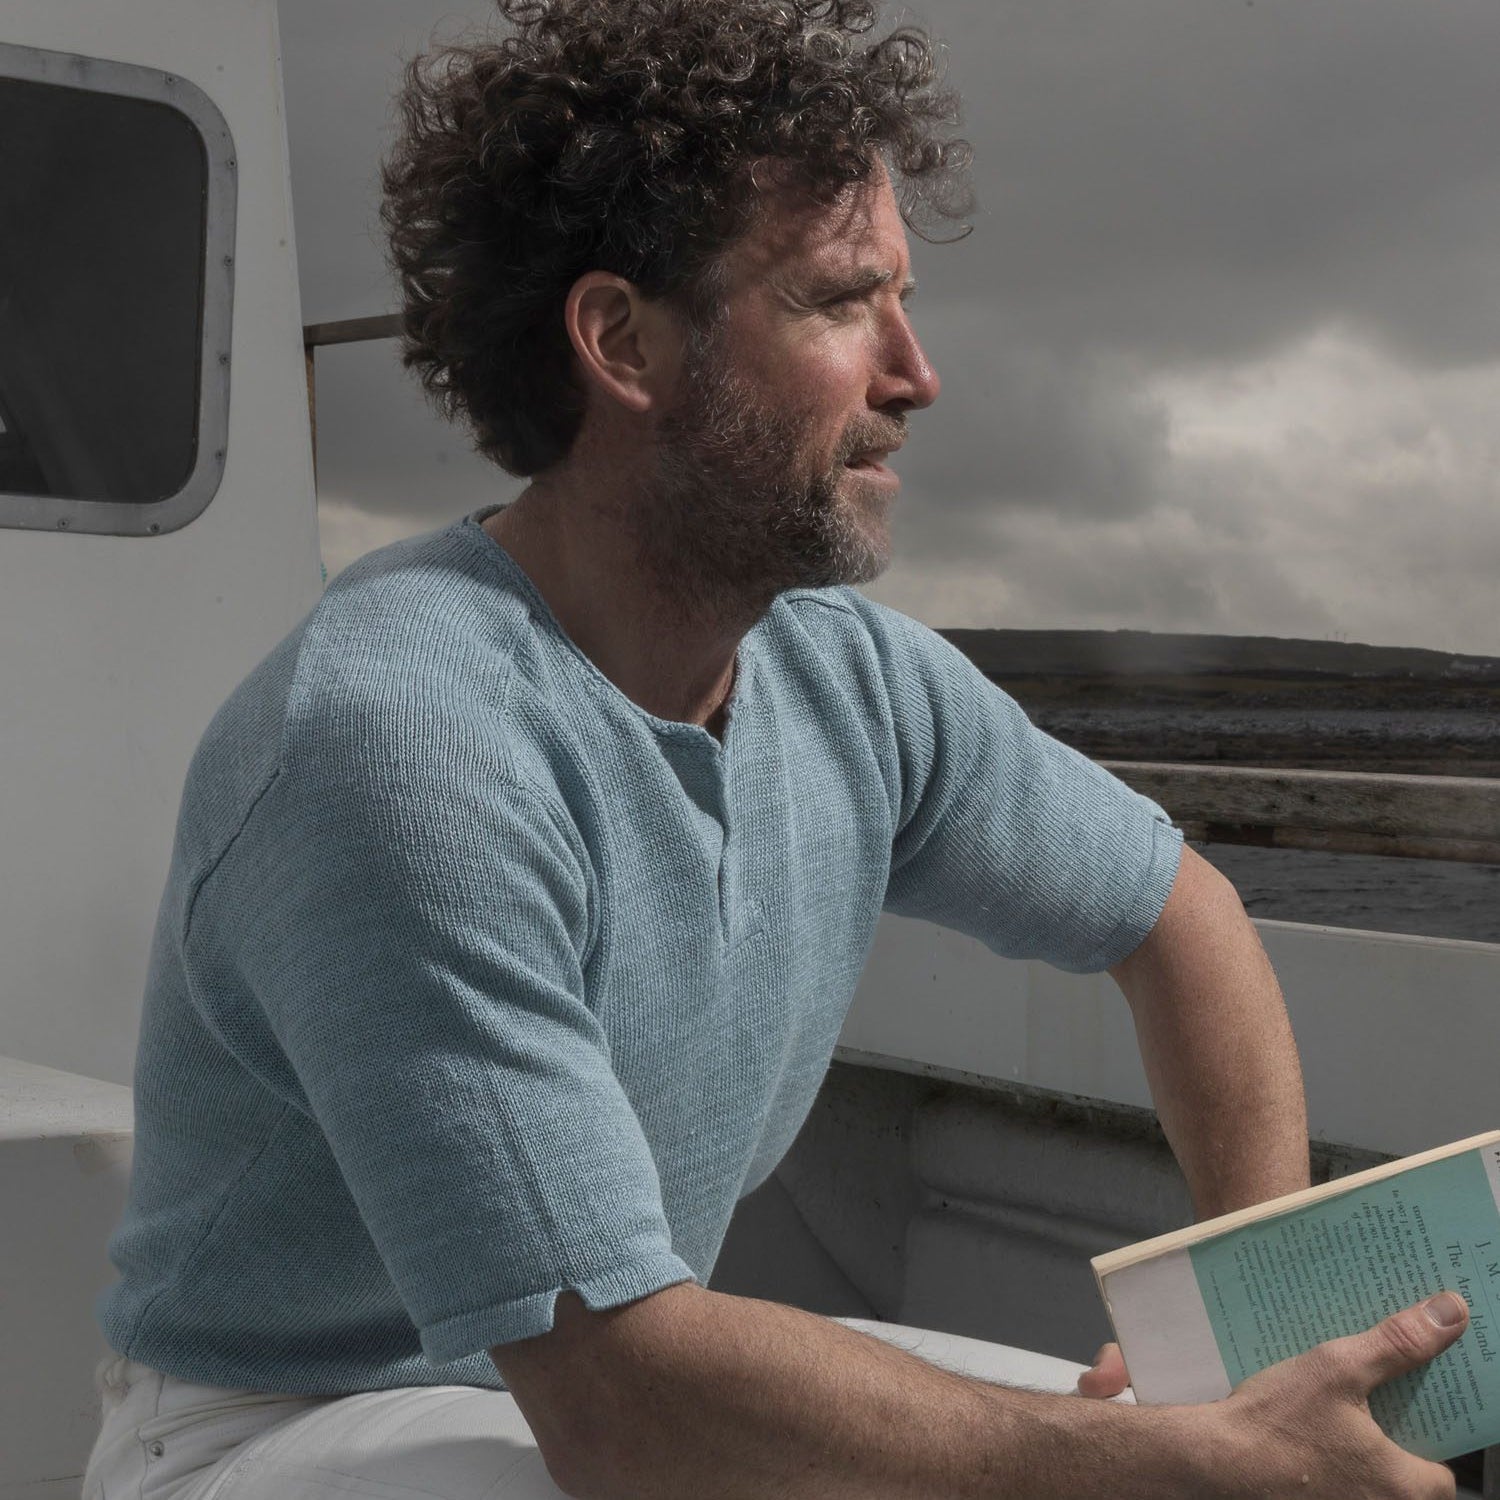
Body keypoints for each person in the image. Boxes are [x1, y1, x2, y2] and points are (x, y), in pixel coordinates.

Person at [85, 2, 1468, 1497]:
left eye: (903, 300)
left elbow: (1180, 919)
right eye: (840, 302)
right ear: (623, 342)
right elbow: (620, 1413)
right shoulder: (406, 747)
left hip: (611, 1385)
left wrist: (1258, 1348)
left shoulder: (846, 678)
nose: (916, 375)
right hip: (280, 1425)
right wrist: (1182, 1463)